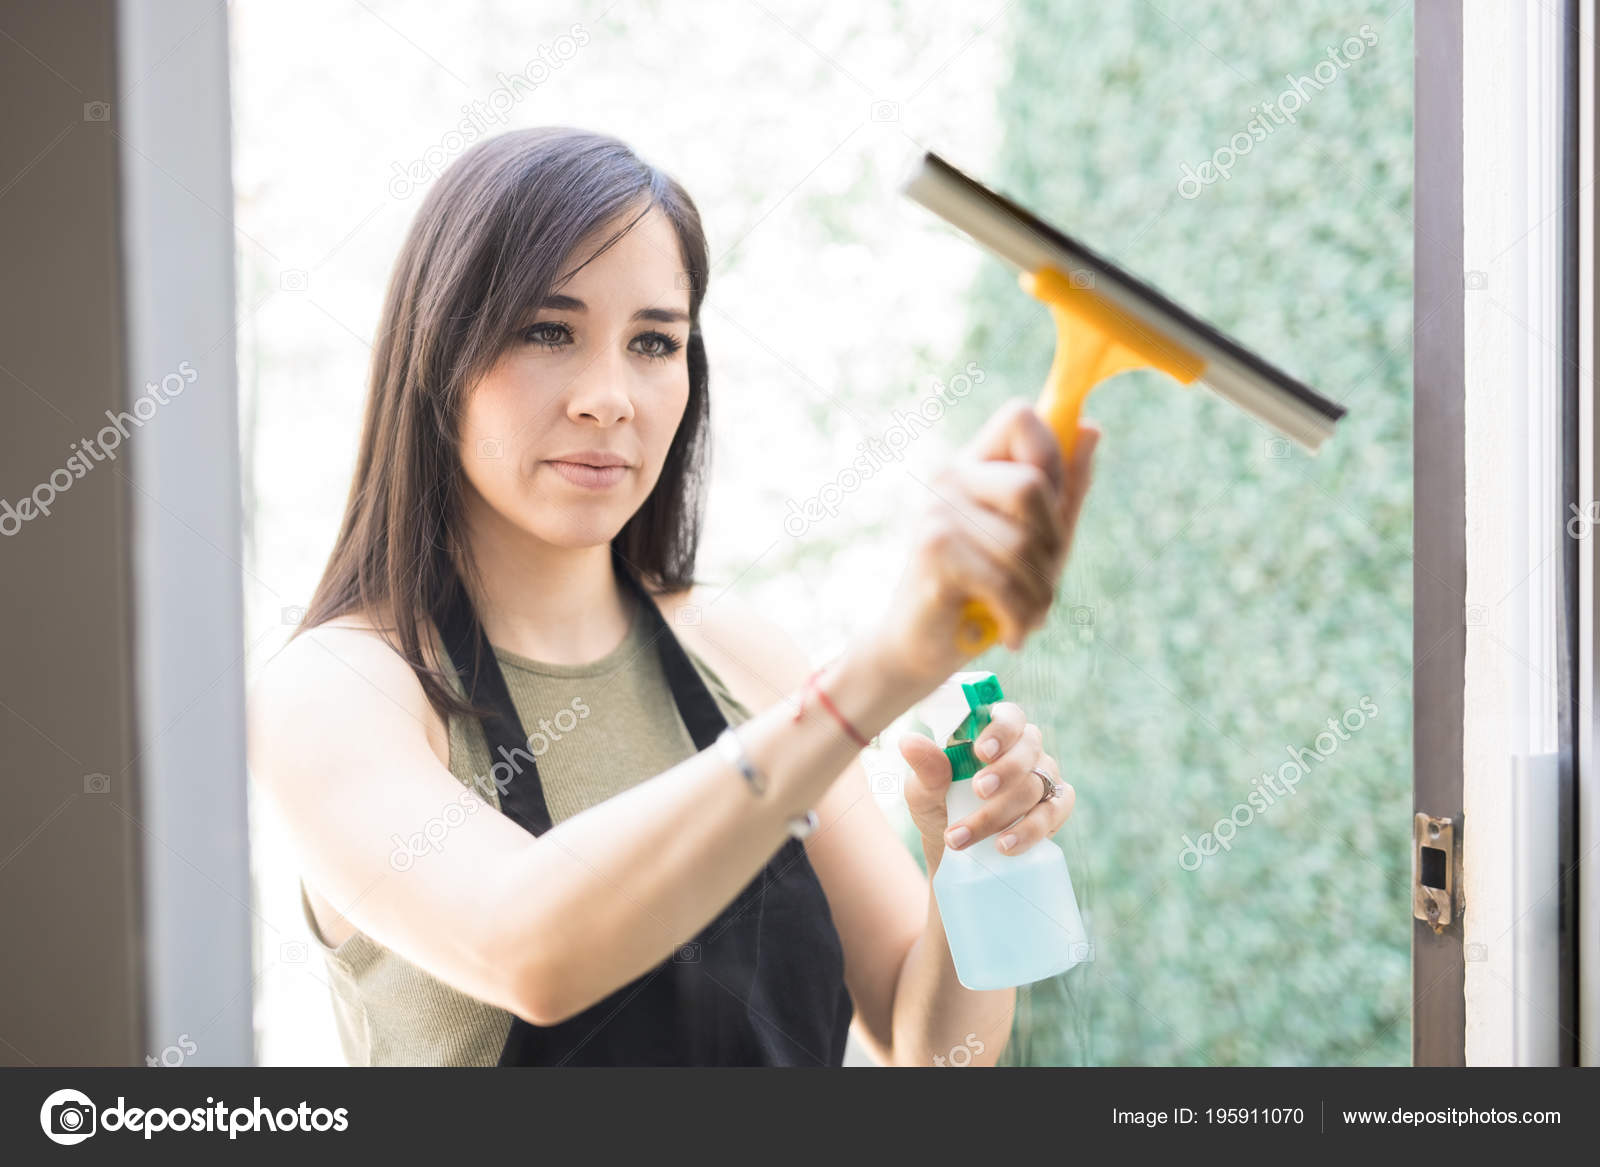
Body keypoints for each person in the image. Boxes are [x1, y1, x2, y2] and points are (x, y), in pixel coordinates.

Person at [247, 125, 1100, 1067]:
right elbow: (529, 948)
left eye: (655, 342)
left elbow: (932, 1050)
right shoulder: (339, 691)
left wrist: (973, 863)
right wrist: (877, 674)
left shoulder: (739, 657)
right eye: (547, 330)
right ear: (438, 348)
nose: (610, 396)